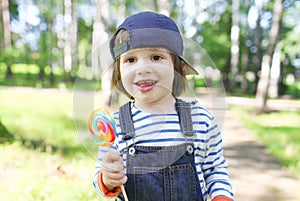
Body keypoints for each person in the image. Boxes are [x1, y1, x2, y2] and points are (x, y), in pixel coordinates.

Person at [93, 11, 234, 201]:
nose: (142, 68)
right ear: (119, 71)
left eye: (156, 57)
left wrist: (222, 197)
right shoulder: (115, 124)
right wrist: (107, 179)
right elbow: (100, 179)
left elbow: (215, 169)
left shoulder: (199, 118)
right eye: (130, 60)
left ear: (178, 68)